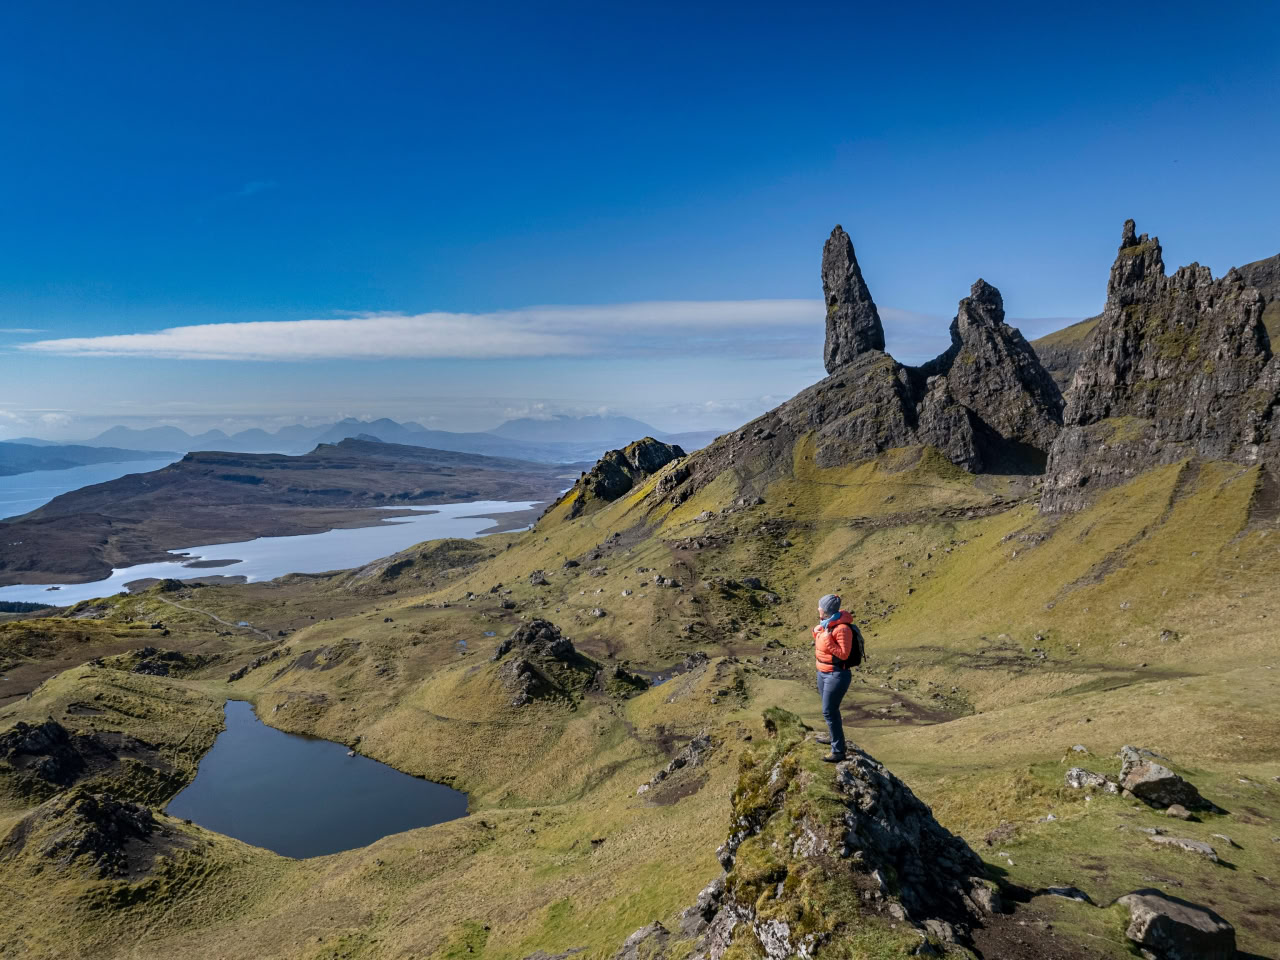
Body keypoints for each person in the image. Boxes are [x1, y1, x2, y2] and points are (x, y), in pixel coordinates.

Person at [812, 593, 855, 762]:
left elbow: (844, 654)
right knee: (830, 711)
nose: (818, 609)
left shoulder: (842, 629)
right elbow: (824, 645)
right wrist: (817, 633)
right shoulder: (827, 624)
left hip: (836, 675)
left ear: (826, 610)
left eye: (820, 607)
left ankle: (838, 751)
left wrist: (827, 639)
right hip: (823, 672)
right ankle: (834, 739)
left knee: (829, 711)